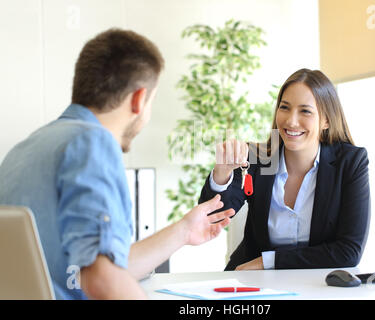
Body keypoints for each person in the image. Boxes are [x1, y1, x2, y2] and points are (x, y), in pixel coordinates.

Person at [0, 29, 234, 300]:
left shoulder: (26, 149)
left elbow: (93, 270)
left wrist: (183, 231)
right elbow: (101, 280)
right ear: (138, 99)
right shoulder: (92, 143)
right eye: (151, 102)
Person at [199, 68, 371, 271]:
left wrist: (268, 262)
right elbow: (211, 219)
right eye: (285, 108)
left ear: (326, 120)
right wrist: (222, 172)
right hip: (251, 284)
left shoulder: (350, 163)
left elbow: (348, 251)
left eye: (305, 111)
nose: (291, 121)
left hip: (317, 288)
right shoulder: (256, 159)